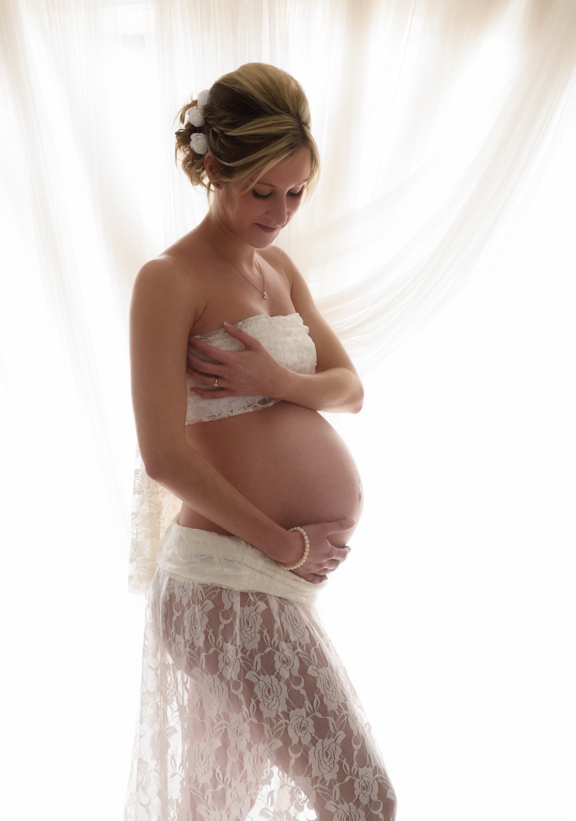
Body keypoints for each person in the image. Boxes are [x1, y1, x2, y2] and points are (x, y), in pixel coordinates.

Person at [124, 64, 396, 821]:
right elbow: (163, 455)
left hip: (268, 578)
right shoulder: (169, 279)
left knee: (214, 808)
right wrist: (281, 544)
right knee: (364, 797)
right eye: (262, 191)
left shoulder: (275, 266)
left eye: (296, 192)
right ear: (215, 168)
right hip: (227, 578)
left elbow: (352, 388)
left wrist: (279, 379)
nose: (280, 213)